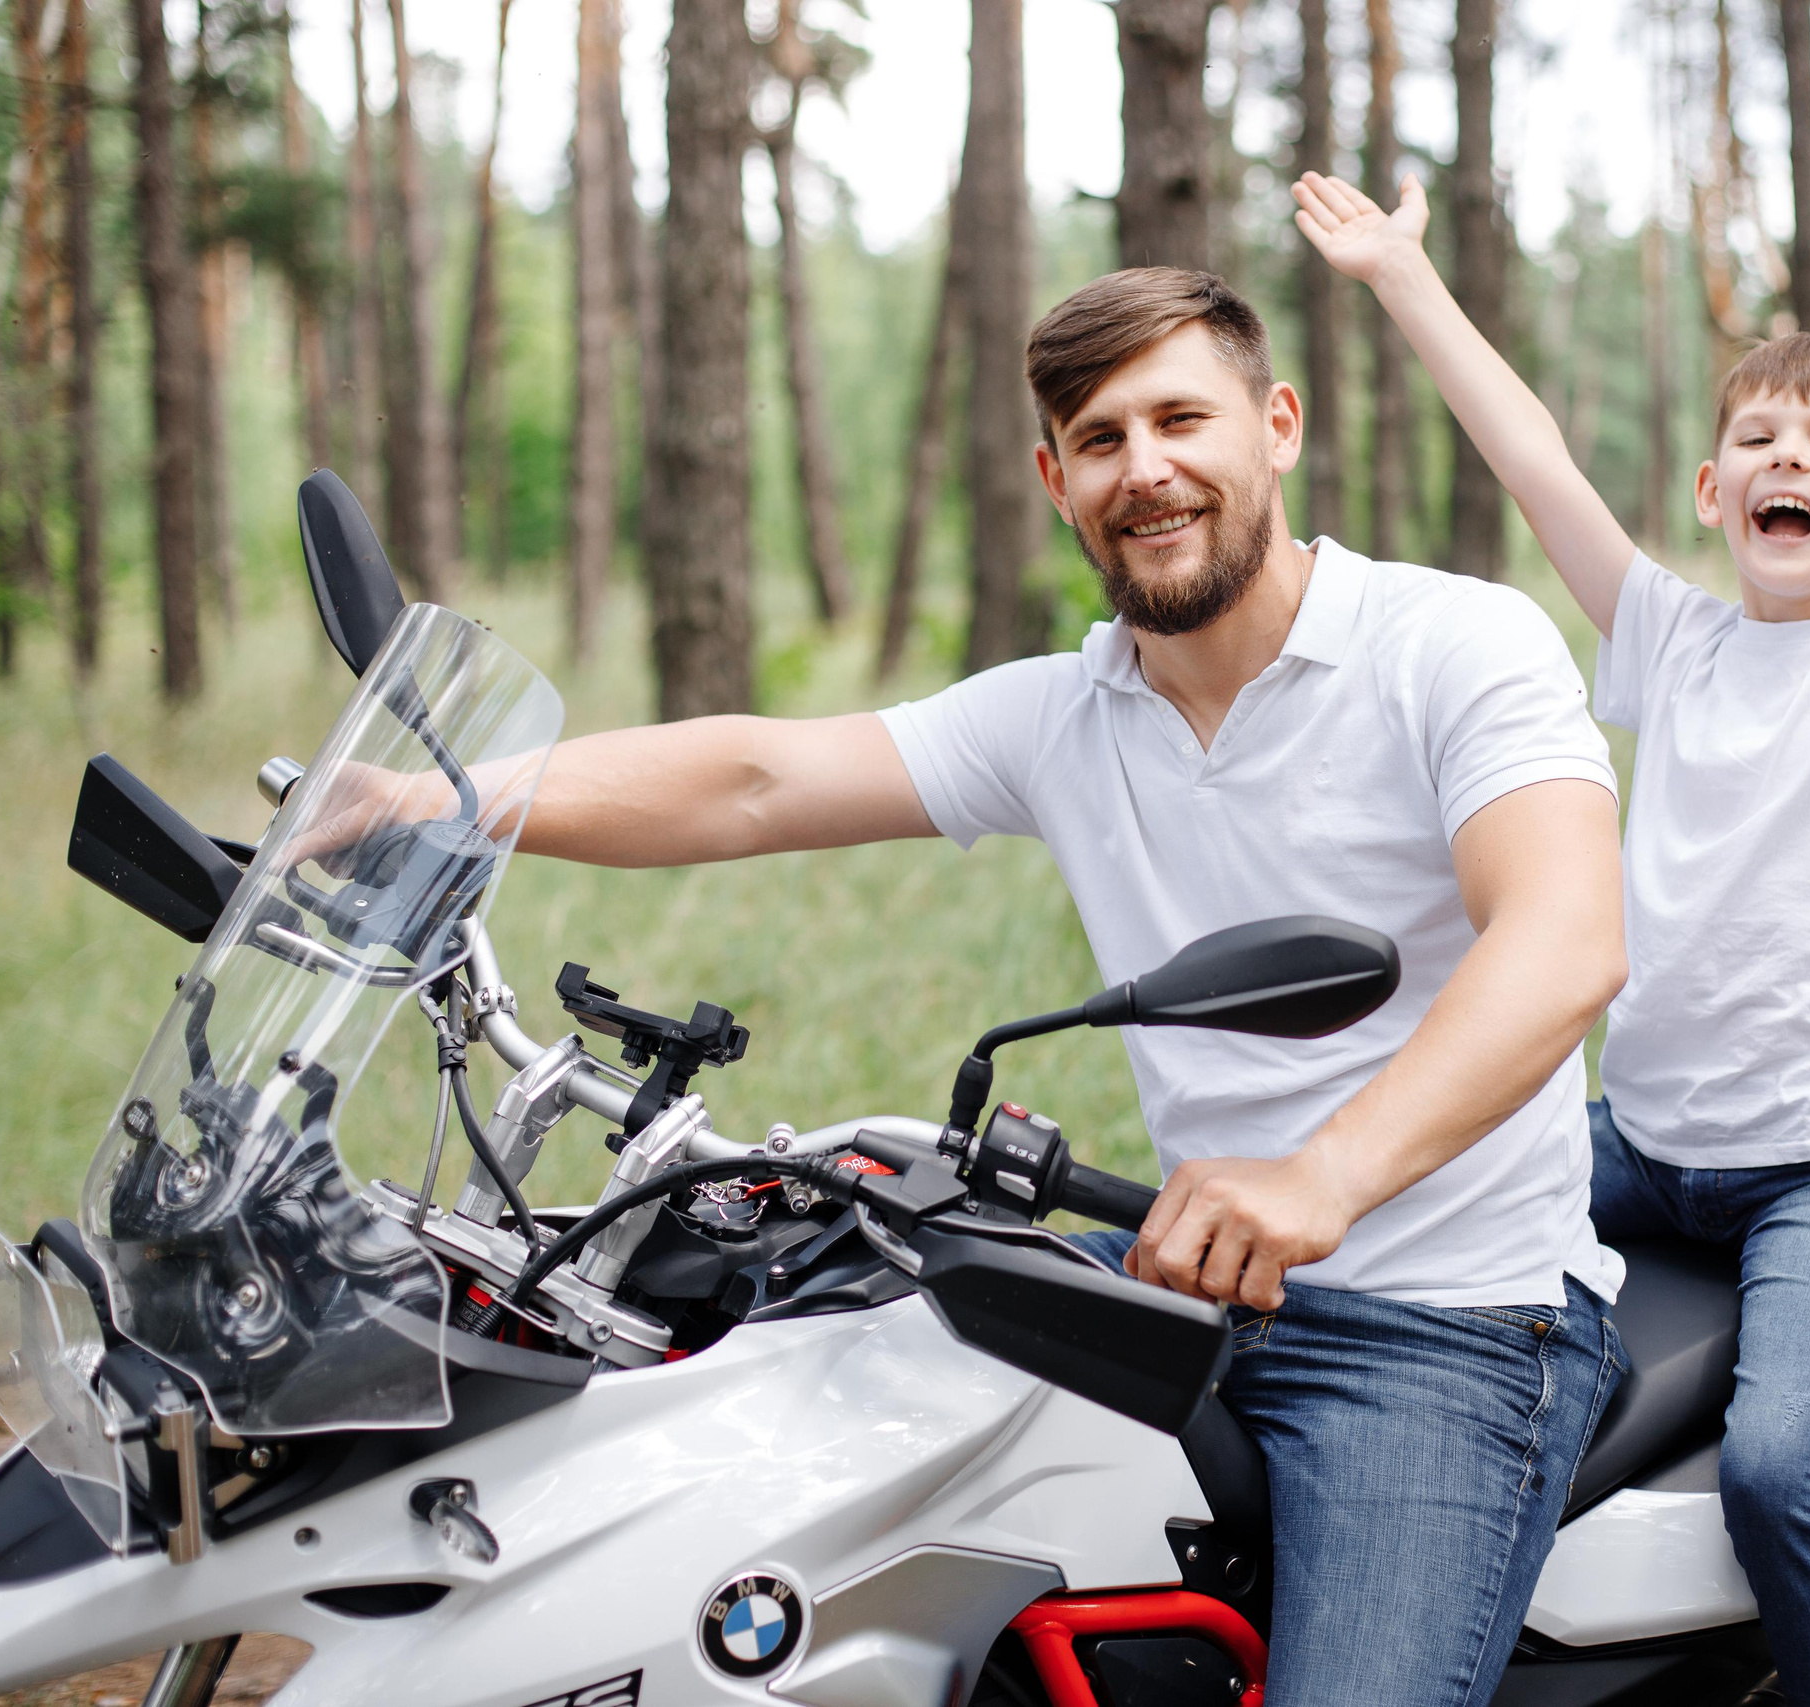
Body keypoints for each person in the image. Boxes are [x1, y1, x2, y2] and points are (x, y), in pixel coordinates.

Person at [485, 269, 1626, 1706]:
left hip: (1448, 1325)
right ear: (1056, 481)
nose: (1144, 468)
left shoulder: (1452, 645)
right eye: (1099, 438)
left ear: (1276, 426)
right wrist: (444, 797)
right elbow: (756, 778)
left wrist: (1323, 1178)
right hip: (1188, 1289)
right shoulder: (1066, 714)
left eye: (1180, 419)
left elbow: (1567, 937)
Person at [1294, 32, 1810, 1707]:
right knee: (1355, 1242)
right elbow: (1531, 458)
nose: (1788, 461)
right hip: (1649, 1143)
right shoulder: (1671, 646)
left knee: (1776, 1477)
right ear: (1710, 487)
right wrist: (1402, 276)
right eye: (1759, 437)